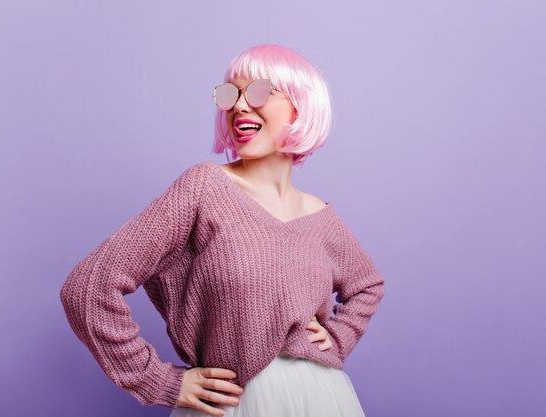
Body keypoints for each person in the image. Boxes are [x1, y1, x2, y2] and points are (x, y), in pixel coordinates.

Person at [60, 44, 385, 417]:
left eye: (260, 91)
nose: (240, 106)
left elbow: (368, 285)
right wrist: (156, 380)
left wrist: (340, 337)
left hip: (322, 400)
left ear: (301, 106)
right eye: (231, 94)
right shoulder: (203, 188)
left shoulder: (322, 217)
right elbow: (88, 287)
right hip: (232, 405)